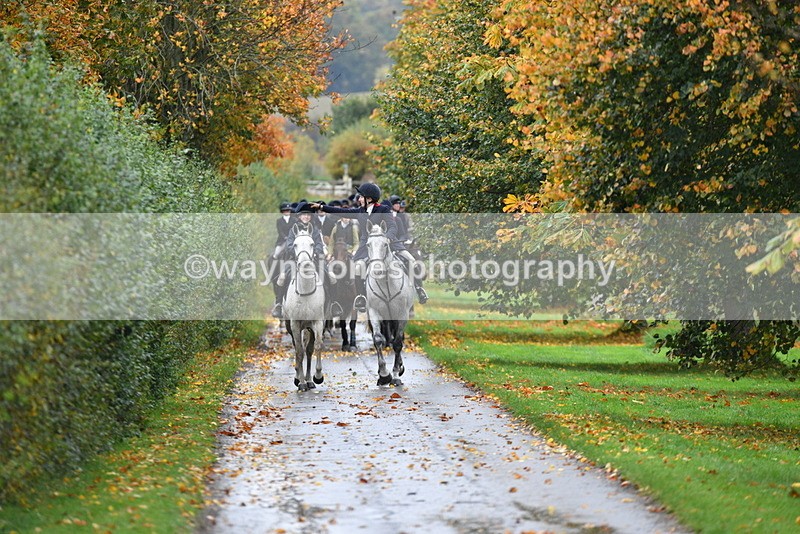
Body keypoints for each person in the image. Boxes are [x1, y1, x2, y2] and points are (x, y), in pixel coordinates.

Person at [310, 183, 428, 313]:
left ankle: (419, 289)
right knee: (358, 267)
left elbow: (392, 227)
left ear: (369, 199)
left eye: (361, 197)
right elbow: (341, 211)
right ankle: (361, 296)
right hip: (367, 247)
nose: (359, 199)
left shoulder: (384, 209)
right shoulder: (360, 211)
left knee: (411, 260)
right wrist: (322, 207)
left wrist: (387, 238)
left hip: (389, 243)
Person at [271, 202, 341, 319]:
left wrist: (314, 252)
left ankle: (334, 303)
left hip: (314, 260)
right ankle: (278, 304)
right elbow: (289, 245)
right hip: (295, 260)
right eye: (304, 215)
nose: (306, 217)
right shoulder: (293, 229)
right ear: (299, 216)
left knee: (331, 276)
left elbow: (319, 244)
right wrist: (299, 253)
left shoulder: (315, 229)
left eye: (308, 215)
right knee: (282, 277)